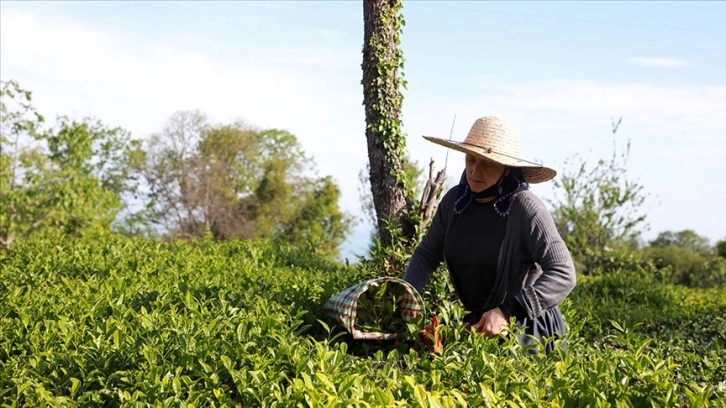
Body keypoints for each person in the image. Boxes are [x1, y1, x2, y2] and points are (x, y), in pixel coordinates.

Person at [404, 116, 576, 353]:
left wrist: (508, 311)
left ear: (506, 168)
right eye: (471, 159)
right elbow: (428, 253)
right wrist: (407, 292)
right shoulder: (455, 201)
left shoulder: (525, 208)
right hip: (479, 326)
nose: (475, 170)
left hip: (527, 330)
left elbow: (564, 272)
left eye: (487, 164)